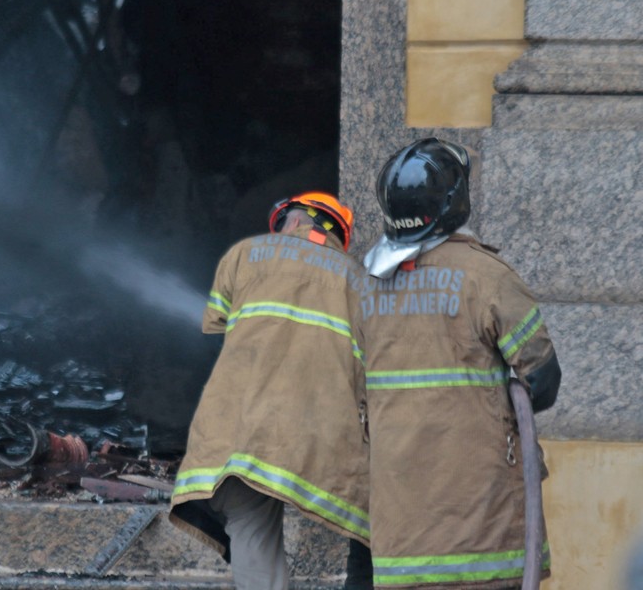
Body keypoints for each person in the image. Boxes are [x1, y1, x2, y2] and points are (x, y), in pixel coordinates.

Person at [359, 137, 562, 589]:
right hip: (483, 533)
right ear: (457, 201)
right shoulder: (487, 277)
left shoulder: (367, 287)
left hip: (400, 542)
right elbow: (543, 381)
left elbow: (357, 389)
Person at [169, 191, 371, 590]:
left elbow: (214, 329)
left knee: (250, 521)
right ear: (335, 235)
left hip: (241, 429)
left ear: (294, 221)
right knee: (376, 518)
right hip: (322, 434)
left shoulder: (242, 255)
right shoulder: (358, 280)